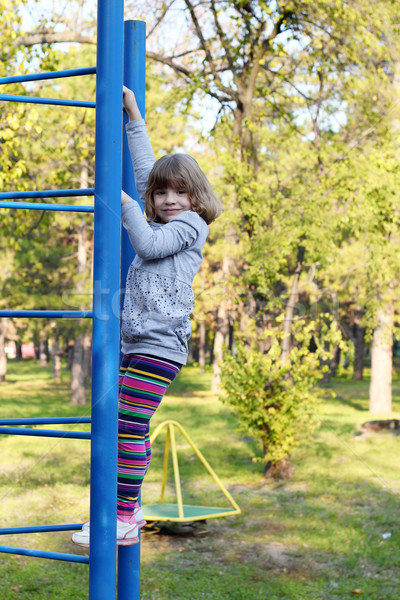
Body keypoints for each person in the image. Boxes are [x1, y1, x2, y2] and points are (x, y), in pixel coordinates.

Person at [72, 87, 223, 548]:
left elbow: (148, 245)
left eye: (181, 191)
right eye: (161, 193)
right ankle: (127, 509)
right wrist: (134, 117)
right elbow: (145, 170)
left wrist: (122, 204)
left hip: (161, 347)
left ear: (197, 197)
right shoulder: (156, 211)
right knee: (125, 426)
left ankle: (123, 515)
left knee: (127, 426)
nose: (170, 199)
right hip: (138, 343)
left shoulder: (188, 226)